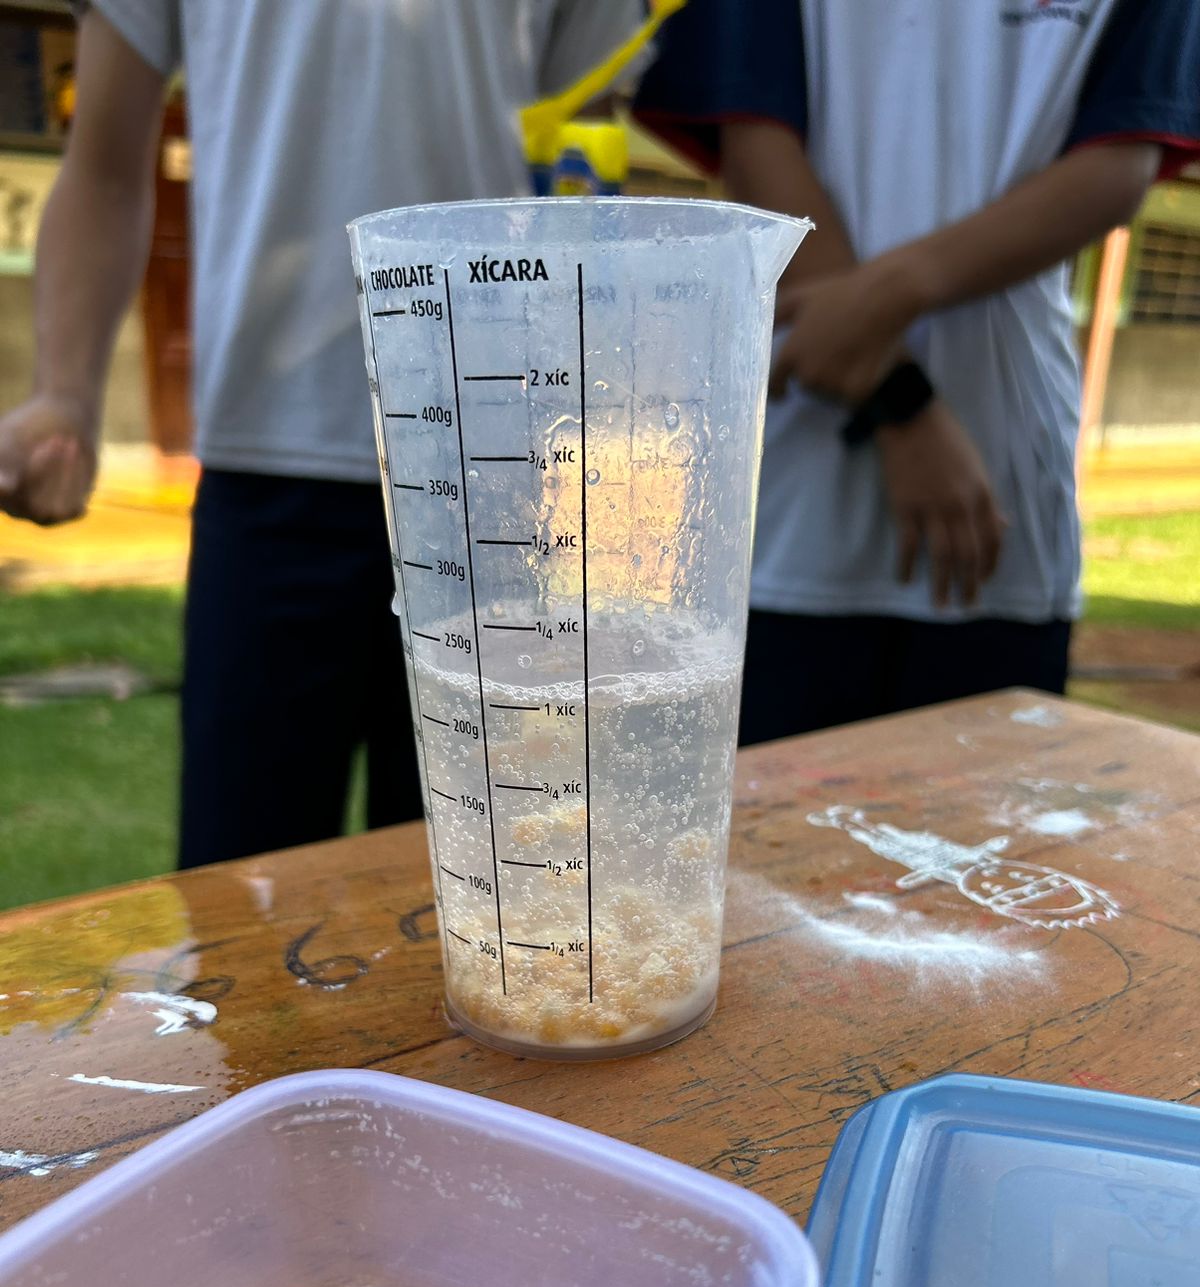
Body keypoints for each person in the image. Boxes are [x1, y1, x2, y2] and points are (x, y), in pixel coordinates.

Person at [0, 0, 645, 866]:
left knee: (487, 901)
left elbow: (584, 159)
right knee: (240, 891)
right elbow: (106, 165)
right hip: (265, 477)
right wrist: (66, 394)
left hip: (494, 484)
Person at [636, 0, 1200, 741]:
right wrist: (898, 399)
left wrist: (885, 305)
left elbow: (1118, 166)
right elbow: (754, 144)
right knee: (768, 805)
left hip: (1000, 486)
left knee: (984, 806)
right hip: (789, 504)